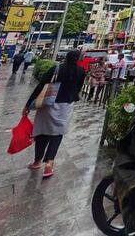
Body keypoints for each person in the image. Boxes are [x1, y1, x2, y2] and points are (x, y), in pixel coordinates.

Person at [23, 50, 85, 178]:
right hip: (66, 106)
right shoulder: (81, 71)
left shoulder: (56, 68)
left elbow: (40, 86)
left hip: (49, 103)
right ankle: (49, 163)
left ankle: (37, 161)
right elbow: (78, 88)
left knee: (42, 132)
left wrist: (28, 104)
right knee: (57, 134)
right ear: (78, 58)